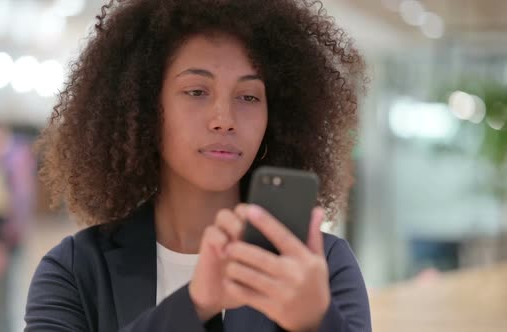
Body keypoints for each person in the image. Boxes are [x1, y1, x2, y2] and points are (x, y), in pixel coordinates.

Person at [25, 0, 370, 331]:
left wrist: (318, 323)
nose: (225, 120)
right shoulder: (76, 270)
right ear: (144, 109)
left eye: (248, 97)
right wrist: (194, 304)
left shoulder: (320, 268)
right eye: (196, 91)